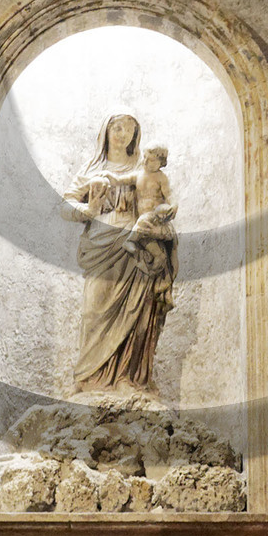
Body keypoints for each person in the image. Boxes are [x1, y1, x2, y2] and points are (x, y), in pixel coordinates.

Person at [61, 115, 177, 391]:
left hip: (135, 247)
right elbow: (65, 206)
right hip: (101, 247)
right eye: (117, 126)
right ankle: (87, 379)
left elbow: (162, 204)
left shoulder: (144, 168)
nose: (122, 133)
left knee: (137, 312)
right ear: (106, 130)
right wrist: (88, 210)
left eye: (129, 128)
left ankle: (127, 377)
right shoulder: (92, 168)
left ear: (137, 134)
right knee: (94, 310)